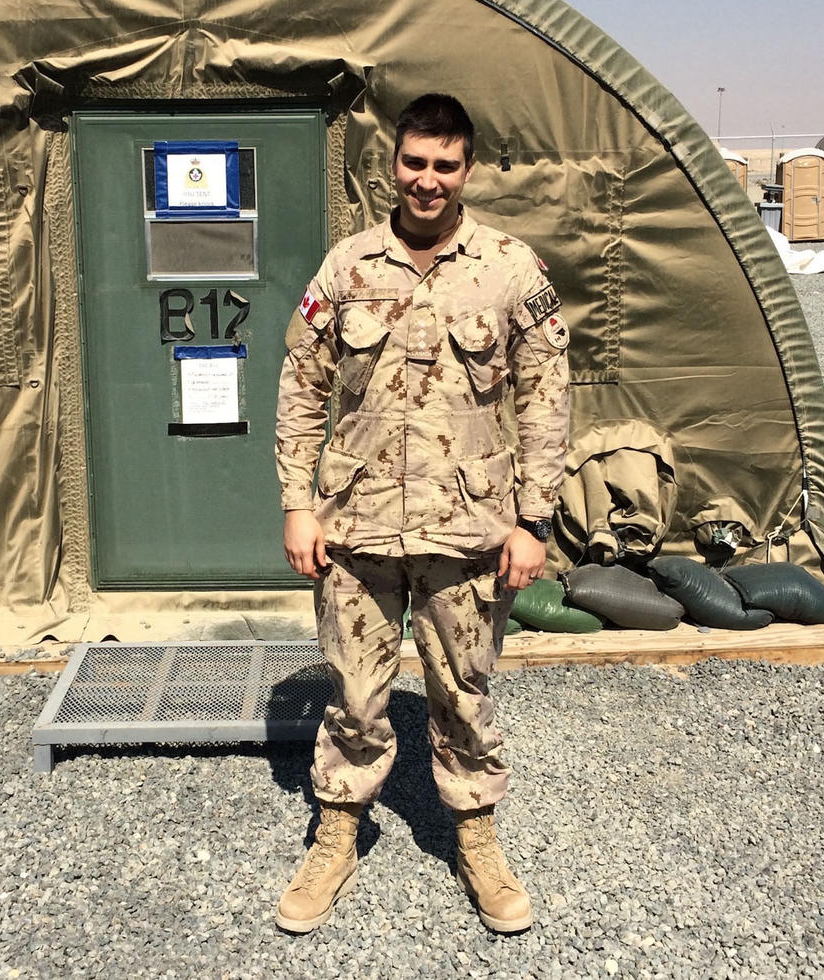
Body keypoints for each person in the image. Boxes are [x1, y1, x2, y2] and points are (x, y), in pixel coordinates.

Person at [272, 93, 570, 934]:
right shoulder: (349, 267)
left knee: (464, 693)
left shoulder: (511, 269)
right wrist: (299, 504)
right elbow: (301, 386)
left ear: (467, 170)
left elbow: (548, 397)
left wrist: (534, 521)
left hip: (469, 529)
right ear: (392, 166)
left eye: (445, 165)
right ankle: (337, 833)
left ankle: (476, 836)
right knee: (356, 695)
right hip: (357, 527)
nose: (428, 181)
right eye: (415, 163)